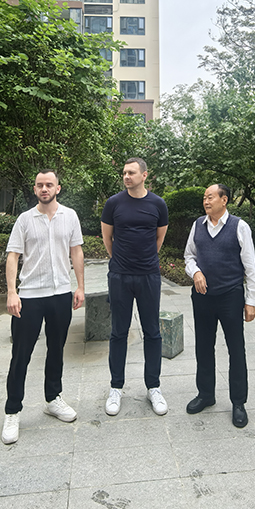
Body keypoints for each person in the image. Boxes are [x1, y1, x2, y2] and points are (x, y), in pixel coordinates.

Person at [1, 170, 85, 444]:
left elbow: (76, 252)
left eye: (49, 184)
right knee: (21, 354)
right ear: (35, 189)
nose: (44, 188)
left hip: (60, 294)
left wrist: (80, 287)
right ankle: (13, 410)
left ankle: (53, 398)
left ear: (58, 188)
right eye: (40, 185)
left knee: (56, 350)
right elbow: (13, 256)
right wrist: (12, 292)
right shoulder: (25, 219)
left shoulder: (70, 216)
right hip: (30, 296)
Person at [183, 184, 255, 428]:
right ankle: (206, 394)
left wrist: (250, 301)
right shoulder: (198, 225)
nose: (206, 201)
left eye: (210, 197)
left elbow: (250, 266)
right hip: (202, 297)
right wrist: (195, 272)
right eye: (204, 198)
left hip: (230, 296)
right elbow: (189, 256)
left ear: (224, 200)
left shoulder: (239, 226)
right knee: (203, 347)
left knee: (236, 349)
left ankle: (238, 402)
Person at [100, 157, 169, 416]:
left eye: (131, 172)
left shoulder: (158, 204)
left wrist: (144, 260)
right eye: (124, 173)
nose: (126, 176)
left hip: (149, 275)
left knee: (153, 332)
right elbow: (108, 237)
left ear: (144, 175)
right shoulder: (114, 203)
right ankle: (116, 387)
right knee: (118, 332)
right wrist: (120, 261)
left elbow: (159, 238)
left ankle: (154, 387)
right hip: (120, 275)